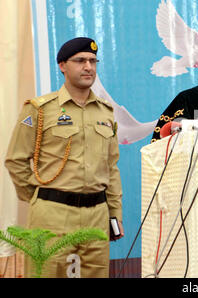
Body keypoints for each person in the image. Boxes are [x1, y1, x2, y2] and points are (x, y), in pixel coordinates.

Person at [4, 37, 124, 278]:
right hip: (53, 214)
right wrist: (41, 198)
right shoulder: (39, 109)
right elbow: (16, 160)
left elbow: (111, 168)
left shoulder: (106, 112)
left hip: (96, 215)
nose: (88, 67)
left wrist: (114, 214)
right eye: (80, 61)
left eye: (92, 61)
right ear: (62, 65)